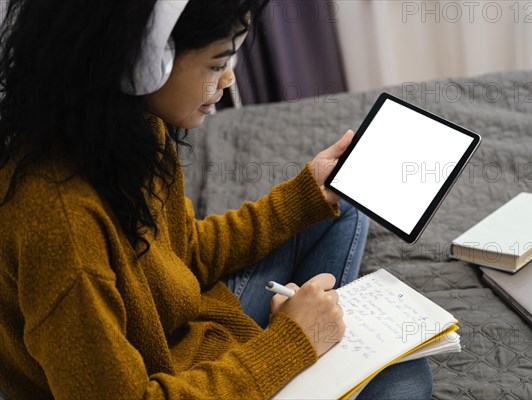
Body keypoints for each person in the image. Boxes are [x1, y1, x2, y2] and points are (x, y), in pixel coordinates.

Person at [0, 0, 433, 399]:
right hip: (168, 376)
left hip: (189, 334)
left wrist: (305, 195)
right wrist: (289, 344)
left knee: (338, 202)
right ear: (142, 65)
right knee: (405, 377)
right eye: (217, 62)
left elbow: (183, 253)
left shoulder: (131, 129)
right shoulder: (59, 225)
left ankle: (318, 346)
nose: (229, 79)